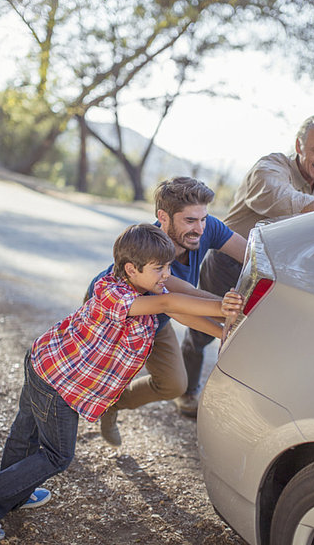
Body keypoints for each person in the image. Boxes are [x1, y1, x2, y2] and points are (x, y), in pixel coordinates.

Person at [0, 224, 242, 542]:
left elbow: (178, 311)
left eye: (169, 266)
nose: (167, 274)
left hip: (47, 365)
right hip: (56, 381)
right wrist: (221, 307)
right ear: (131, 268)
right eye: (160, 268)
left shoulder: (143, 287)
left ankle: (12, 494)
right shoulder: (113, 294)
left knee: (25, 434)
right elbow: (169, 304)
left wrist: (226, 329)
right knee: (56, 455)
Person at [179, 113, 314, 417]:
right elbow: (288, 200)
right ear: (299, 145)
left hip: (279, 272)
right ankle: (187, 391)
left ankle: (238, 411)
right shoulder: (269, 168)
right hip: (230, 264)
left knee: (264, 338)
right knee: (207, 331)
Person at [85, 177, 247, 446]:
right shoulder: (151, 251)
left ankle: (112, 404)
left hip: (155, 319)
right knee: (87, 382)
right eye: (190, 221)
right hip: (113, 317)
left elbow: (251, 255)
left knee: (174, 385)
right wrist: (228, 319)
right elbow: (181, 301)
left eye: (203, 218)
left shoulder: (206, 228)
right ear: (163, 216)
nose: (199, 228)